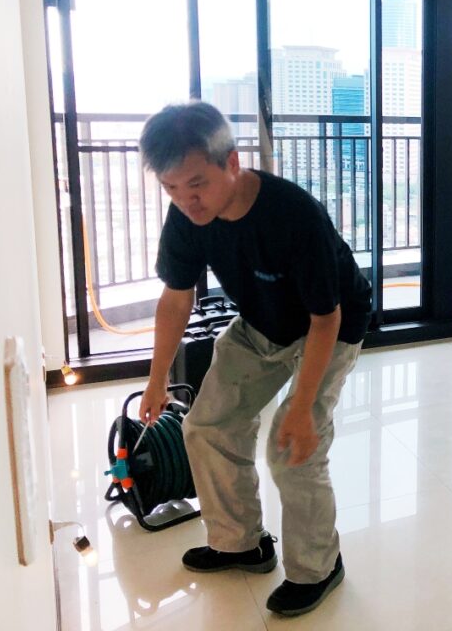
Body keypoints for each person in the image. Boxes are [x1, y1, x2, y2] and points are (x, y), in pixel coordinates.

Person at [137, 101, 372, 617]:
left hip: (328, 327)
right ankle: (240, 543)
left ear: (232, 162)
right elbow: (176, 299)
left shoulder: (293, 215)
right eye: (171, 188)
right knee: (206, 426)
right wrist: (156, 381)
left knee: (291, 447)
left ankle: (318, 567)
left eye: (196, 184)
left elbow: (326, 319)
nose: (186, 200)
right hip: (261, 322)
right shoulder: (187, 217)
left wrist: (302, 407)